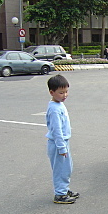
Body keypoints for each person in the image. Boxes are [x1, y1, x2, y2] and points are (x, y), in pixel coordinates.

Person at [46, 74, 79, 204]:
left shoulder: (59, 104)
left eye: (66, 91)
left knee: (67, 168)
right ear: (52, 92)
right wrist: (61, 147)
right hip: (58, 143)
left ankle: (64, 189)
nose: (65, 95)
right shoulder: (54, 109)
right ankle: (60, 194)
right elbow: (56, 130)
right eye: (61, 92)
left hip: (64, 142)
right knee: (60, 169)